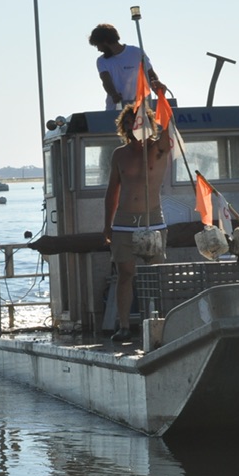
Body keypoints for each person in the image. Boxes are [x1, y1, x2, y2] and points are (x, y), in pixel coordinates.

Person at [103, 104, 172, 345]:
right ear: (125, 126)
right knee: (125, 274)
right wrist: (107, 224)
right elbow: (112, 190)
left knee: (155, 274)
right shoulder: (119, 154)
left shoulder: (158, 149)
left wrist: (162, 95)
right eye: (131, 122)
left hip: (152, 221)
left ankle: (160, 322)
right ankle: (123, 326)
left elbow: (170, 129)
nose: (136, 126)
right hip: (123, 223)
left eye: (140, 121)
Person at [88, 23, 164, 109]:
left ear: (105, 42)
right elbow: (106, 81)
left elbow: (150, 74)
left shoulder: (136, 52)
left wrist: (156, 84)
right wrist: (114, 94)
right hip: (115, 109)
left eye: (98, 45)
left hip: (142, 107)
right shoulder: (102, 61)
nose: (98, 49)